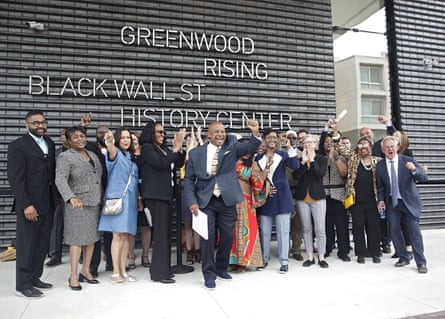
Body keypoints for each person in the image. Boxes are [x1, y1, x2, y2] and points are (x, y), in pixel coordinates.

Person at [184, 120, 261, 290]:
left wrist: (255, 132)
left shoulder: (232, 147)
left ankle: (221, 268)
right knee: (208, 238)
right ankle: (209, 275)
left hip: (227, 200)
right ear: (209, 135)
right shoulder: (196, 154)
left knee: (227, 237)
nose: (220, 134)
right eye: (216, 131)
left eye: (223, 131)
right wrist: (192, 202)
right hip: (206, 201)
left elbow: (250, 147)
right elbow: (188, 180)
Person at [7, 110, 57, 298]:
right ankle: (23, 284)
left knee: (42, 244)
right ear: (27, 125)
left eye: (43, 122)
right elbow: (15, 179)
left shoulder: (49, 144)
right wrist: (26, 204)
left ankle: (35, 277)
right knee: (27, 245)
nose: (40, 126)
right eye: (35, 123)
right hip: (30, 205)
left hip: (48, 203)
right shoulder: (18, 146)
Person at [55, 126, 102, 290]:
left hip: (93, 202)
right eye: (75, 137)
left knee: (91, 239)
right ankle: (73, 276)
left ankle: (86, 271)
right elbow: (60, 179)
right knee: (76, 241)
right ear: (68, 141)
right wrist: (71, 197)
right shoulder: (65, 157)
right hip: (77, 204)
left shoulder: (93, 155)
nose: (80, 139)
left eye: (82, 136)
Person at [139, 121, 186, 284]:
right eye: (159, 132)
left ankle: (165, 269)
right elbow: (161, 164)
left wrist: (179, 148)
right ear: (151, 133)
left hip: (166, 195)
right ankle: (158, 273)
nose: (162, 135)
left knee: (166, 233)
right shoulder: (147, 149)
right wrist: (174, 150)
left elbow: (178, 163)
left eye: (164, 133)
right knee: (160, 234)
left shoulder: (164, 149)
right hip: (155, 195)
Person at [376, 136, 428, 274]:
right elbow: (380, 187)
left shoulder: (408, 161)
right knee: (393, 228)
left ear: (397, 147)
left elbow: (423, 177)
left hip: (409, 202)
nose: (390, 149)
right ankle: (403, 256)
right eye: (387, 147)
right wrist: (381, 200)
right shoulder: (380, 166)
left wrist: (414, 170)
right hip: (393, 202)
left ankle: (421, 262)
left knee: (414, 232)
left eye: (392, 146)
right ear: (383, 150)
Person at [98, 128, 139, 284]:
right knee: (117, 236)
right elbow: (111, 150)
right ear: (117, 139)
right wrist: (109, 142)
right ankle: (115, 271)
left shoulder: (130, 156)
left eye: (128, 137)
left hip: (131, 200)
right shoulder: (114, 154)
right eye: (123, 138)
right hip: (117, 199)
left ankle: (123, 270)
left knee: (126, 236)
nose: (126, 140)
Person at [255, 129, 300, 273]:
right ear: (264, 140)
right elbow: (256, 179)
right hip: (265, 199)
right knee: (265, 232)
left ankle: (284, 262)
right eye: (269, 137)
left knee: (283, 232)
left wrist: (290, 147)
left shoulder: (283, 154)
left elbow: (295, 165)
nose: (272, 140)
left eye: (274, 137)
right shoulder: (258, 158)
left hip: (282, 198)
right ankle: (265, 260)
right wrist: (264, 190)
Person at [336, 134, 382, 264]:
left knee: (373, 228)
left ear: (370, 148)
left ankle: (375, 252)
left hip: (373, 201)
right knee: (358, 227)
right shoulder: (353, 158)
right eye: (360, 145)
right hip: (356, 201)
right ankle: (361, 253)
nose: (363, 148)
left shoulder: (378, 161)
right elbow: (342, 148)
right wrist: (335, 134)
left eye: (365, 145)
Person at [293, 134, 329, 268]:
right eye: (305, 142)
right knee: (306, 228)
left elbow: (319, 174)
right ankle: (309, 256)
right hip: (302, 198)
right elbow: (296, 176)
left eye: (311, 142)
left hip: (318, 197)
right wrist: (303, 163)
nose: (308, 144)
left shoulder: (321, 159)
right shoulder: (299, 159)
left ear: (315, 144)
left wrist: (312, 161)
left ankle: (321, 256)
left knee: (320, 229)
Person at [228, 148, 265, 272]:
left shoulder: (253, 165)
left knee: (246, 231)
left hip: (246, 203)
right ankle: (232, 261)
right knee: (231, 231)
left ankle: (243, 263)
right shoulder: (229, 161)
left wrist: (262, 174)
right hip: (230, 201)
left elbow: (258, 184)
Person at [319, 129, 350, 262]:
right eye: (326, 142)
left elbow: (344, 174)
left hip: (339, 194)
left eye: (331, 142)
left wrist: (336, 158)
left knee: (342, 224)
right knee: (326, 224)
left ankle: (343, 251)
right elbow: (319, 173)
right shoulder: (319, 158)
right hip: (324, 194)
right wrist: (329, 158)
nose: (329, 144)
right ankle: (327, 248)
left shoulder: (343, 157)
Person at [46, 128, 69, 267]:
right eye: (62, 135)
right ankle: (55, 255)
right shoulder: (56, 154)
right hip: (59, 194)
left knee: (77, 226)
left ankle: (81, 255)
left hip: (77, 194)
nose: (65, 138)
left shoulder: (80, 152)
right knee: (57, 225)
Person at [285, 130, 304, 261]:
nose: (291, 139)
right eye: (288, 137)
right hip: (284, 192)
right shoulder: (280, 153)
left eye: (294, 138)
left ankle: (296, 249)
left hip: (298, 191)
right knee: (285, 223)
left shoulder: (302, 154)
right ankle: (284, 249)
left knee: (298, 223)